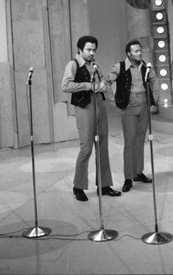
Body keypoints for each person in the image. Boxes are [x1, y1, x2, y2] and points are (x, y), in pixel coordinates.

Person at [61, 35, 121, 202]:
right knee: (86, 149)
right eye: (88, 49)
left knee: (102, 147)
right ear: (80, 49)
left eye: (94, 50)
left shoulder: (95, 64)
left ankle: (104, 185)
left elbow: (103, 83)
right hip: (84, 108)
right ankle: (78, 186)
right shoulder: (73, 64)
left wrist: (113, 99)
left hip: (100, 106)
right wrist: (90, 86)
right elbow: (65, 85)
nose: (91, 52)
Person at [105, 39, 159, 193]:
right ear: (128, 53)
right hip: (129, 106)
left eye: (140, 50)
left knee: (140, 140)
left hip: (144, 104)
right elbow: (107, 82)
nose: (139, 53)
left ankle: (138, 172)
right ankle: (128, 177)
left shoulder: (146, 66)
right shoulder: (120, 67)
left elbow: (154, 80)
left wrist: (155, 97)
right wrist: (113, 101)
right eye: (136, 51)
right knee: (130, 142)